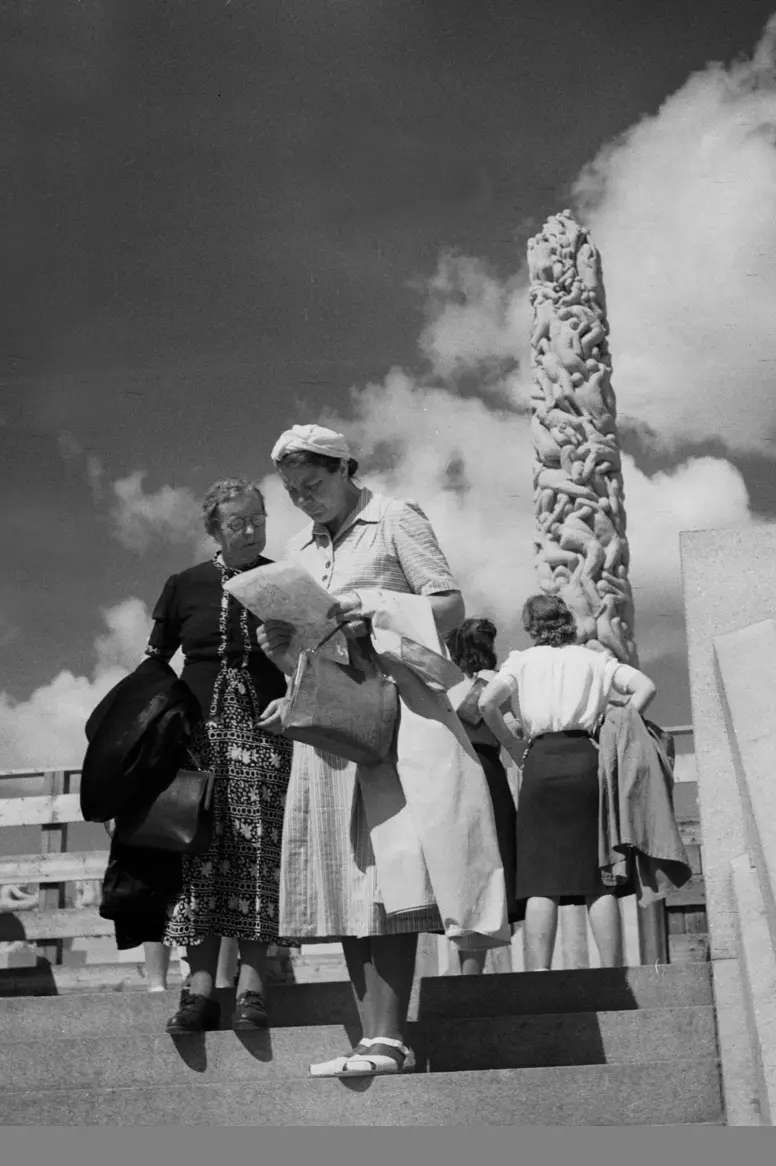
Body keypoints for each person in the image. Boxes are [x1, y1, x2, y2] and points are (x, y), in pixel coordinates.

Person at [256, 423, 507, 1077]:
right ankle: (372, 1038)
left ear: (345, 469)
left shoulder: (395, 518)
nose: (304, 499)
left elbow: (449, 606)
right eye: (292, 491)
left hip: (392, 718)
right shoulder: (296, 548)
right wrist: (286, 664)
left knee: (390, 871)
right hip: (330, 723)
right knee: (345, 877)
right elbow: (314, 643)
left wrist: (375, 608)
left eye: (312, 484)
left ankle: (392, 1036)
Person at [144, 477, 295, 1034]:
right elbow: (154, 664)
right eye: (237, 523)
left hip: (265, 734)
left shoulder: (284, 581)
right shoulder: (183, 585)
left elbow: (311, 662)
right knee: (197, 853)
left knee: (259, 855)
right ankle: (201, 987)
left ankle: (254, 984)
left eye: (258, 518)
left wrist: (291, 687)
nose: (251, 529)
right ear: (214, 529)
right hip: (196, 737)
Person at [478, 594, 656, 971]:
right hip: (588, 761)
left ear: (530, 626)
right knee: (597, 873)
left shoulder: (521, 662)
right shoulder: (594, 659)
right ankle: (612, 971)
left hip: (540, 763)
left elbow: (485, 704)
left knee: (541, 876)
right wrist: (618, 727)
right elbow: (646, 688)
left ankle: (539, 975)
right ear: (568, 622)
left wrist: (512, 743)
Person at [445, 618, 521, 975]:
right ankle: (474, 973)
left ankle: (467, 970)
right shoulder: (492, 683)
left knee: (462, 867)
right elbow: (512, 728)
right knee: (492, 863)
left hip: (448, 776)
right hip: (486, 773)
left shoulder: (443, 685)